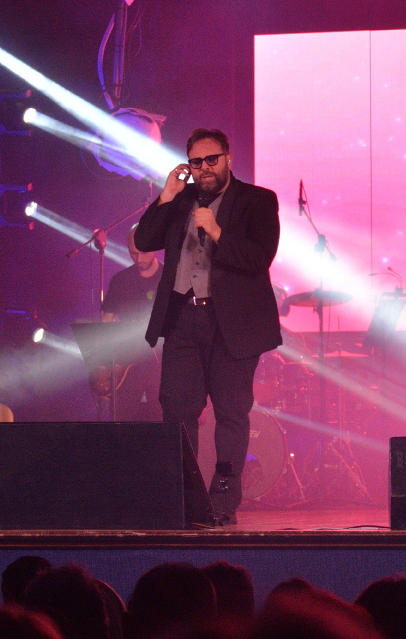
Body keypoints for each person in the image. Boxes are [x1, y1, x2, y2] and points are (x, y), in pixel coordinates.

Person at [134, 128, 282, 524]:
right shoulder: (180, 201)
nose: (204, 168)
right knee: (176, 408)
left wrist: (216, 230)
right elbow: (144, 240)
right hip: (183, 318)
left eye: (211, 159)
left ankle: (223, 502)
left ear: (228, 158)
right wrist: (166, 195)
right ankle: (185, 498)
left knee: (231, 413)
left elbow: (259, 258)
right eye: (196, 162)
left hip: (231, 323)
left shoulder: (258, 200)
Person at [97, 226, 164, 421]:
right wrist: (103, 368)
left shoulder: (169, 277)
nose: (139, 258)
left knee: (163, 420)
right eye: (133, 253)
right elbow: (107, 321)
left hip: (162, 364)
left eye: (144, 252)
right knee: (120, 419)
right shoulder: (121, 280)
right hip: (127, 366)